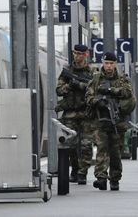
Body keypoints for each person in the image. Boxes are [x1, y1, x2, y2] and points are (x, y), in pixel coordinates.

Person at [85, 52, 135, 191]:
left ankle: (115, 179)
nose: (109, 66)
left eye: (111, 63)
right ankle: (101, 178)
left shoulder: (122, 79)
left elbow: (127, 92)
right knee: (102, 148)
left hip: (117, 121)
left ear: (115, 64)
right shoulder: (95, 79)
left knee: (115, 151)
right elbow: (88, 97)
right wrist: (98, 101)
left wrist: (110, 90)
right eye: (106, 63)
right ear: (103, 63)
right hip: (100, 120)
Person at [55, 44, 95, 185]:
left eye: (80, 54)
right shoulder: (67, 71)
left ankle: (82, 173)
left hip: (86, 114)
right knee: (70, 145)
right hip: (70, 114)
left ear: (86, 55)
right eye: (75, 53)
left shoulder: (92, 72)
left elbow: (95, 89)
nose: (76, 56)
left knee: (86, 145)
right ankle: (75, 169)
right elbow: (59, 90)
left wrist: (80, 86)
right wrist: (69, 86)